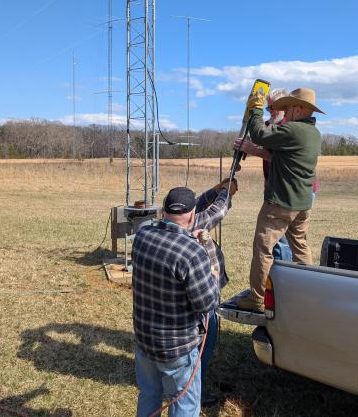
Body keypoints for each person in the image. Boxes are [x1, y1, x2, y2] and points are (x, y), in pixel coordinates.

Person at [235, 87, 323, 312]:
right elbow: (278, 155)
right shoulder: (313, 133)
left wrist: (255, 109)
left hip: (280, 203)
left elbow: (259, 134)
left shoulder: (293, 130)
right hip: (303, 203)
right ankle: (308, 291)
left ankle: (257, 298)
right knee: (301, 248)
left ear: (297, 108)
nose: (282, 110)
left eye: (287, 105)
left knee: (263, 249)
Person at [132, 187, 219, 417]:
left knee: (149, 395)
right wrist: (212, 271)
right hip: (177, 349)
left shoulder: (142, 235)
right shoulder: (192, 253)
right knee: (184, 406)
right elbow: (207, 304)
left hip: (144, 340)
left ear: (164, 209)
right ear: (191, 216)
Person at [192, 178, 237, 407]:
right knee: (204, 342)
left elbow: (200, 203)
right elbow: (216, 212)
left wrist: (217, 189)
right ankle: (194, 392)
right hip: (203, 295)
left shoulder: (175, 219)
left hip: (203, 291)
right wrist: (226, 193)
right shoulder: (192, 225)